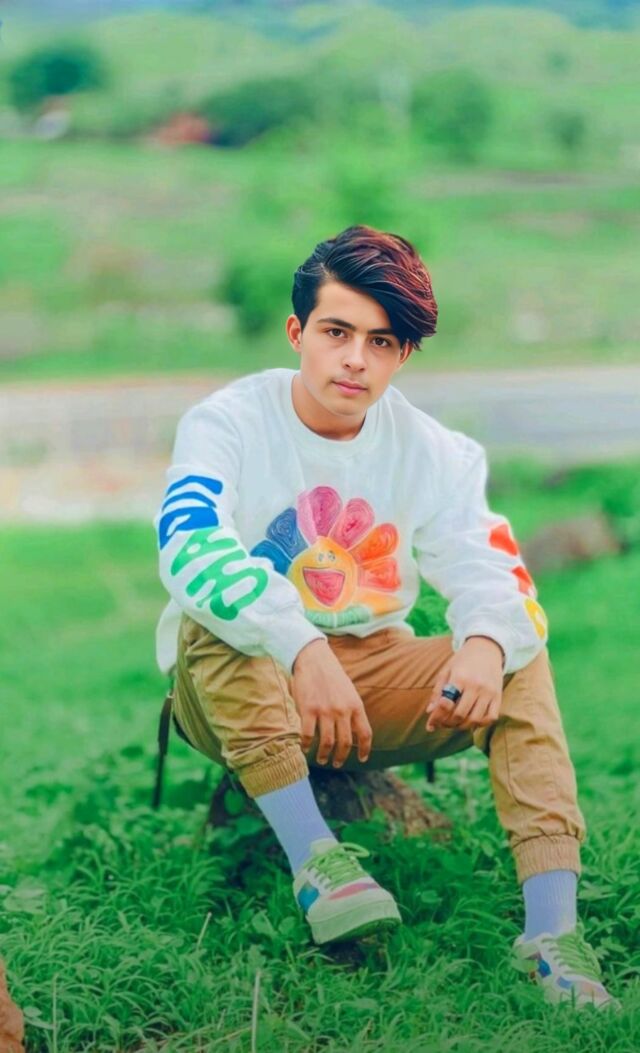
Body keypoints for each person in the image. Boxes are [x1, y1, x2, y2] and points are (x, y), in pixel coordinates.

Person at [154, 224, 616, 1009]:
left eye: (381, 342)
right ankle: (318, 862)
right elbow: (189, 544)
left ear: (404, 355)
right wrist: (302, 647)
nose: (355, 360)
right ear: (297, 332)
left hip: (370, 683)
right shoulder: (225, 421)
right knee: (220, 615)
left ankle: (552, 934)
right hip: (235, 686)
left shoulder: (436, 451)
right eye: (336, 332)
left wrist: (483, 643)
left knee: (518, 653)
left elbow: (494, 570)